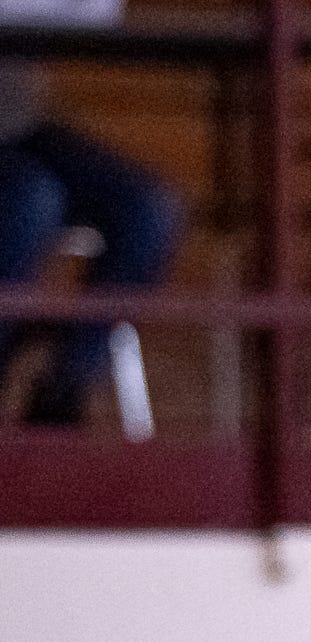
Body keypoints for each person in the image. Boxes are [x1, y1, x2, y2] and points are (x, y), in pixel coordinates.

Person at [0, 52, 184, 429]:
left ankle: (65, 389)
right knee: (34, 199)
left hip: (21, 126)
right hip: (23, 161)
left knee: (150, 210)